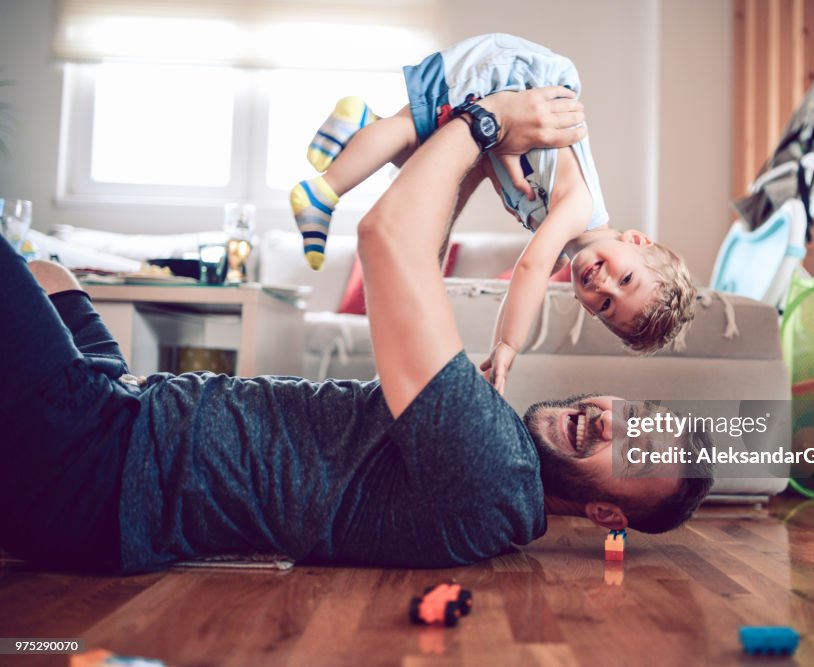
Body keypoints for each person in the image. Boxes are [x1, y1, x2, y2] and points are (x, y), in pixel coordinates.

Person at [0, 88, 713, 574]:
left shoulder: (495, 470)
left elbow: (385, 236)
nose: (612, 421)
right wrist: (456, 178)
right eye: (639, 416)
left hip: (103, 464)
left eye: (635, 451)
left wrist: (484, 120)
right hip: (127, 411)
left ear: (605, 510)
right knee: (46, 272)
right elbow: (418, 271)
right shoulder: (499, 471)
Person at [289, 34, 698, 393]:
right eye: (626, 278)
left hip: (507, 90)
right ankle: (323, 192)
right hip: (511, 76)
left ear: (587, 308)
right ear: (636, 240)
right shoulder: (579, 210)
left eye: (605, 304)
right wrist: (507, 346)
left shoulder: (563, 237)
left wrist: (507, 158)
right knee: (420, 130)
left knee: (422, 153)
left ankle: (360, 125)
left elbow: (492, 161)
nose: (604, 284)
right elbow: (530, 269)